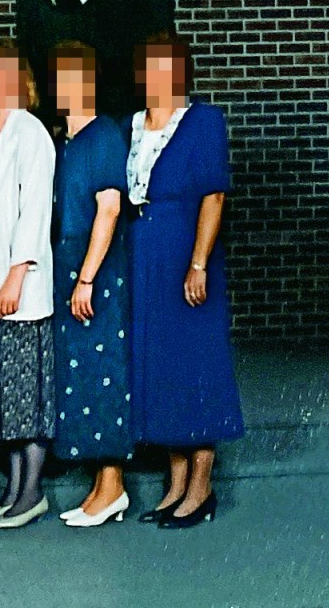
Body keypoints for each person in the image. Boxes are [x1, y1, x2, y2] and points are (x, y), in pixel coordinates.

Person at [127, 32, 244, 529]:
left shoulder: (203, 120)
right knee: (161, 367)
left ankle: (202, 486)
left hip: (184, 253)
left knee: (195, 362)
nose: (156, 75)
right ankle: (174, 485)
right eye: (148, 66)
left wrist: (198, 263)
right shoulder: (135, 124)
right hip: (145, 255)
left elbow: (213, 196)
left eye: (164, 66)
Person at [0, 41, 56, 530]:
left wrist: (17, 273)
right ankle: (15, 487)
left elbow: (34, 208)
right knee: (5, 394)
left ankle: (33, 491)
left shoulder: (30, 132)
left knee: (27, 392)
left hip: (15, 285)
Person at [49, 41, 133, 528]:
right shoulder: (66, 140)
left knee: (103, 370)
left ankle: (114, 485)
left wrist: (86, 278)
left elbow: (109, 208)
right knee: (80, 375)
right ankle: (99, 488)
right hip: (68, 263)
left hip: (94, 267)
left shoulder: (104, 135)